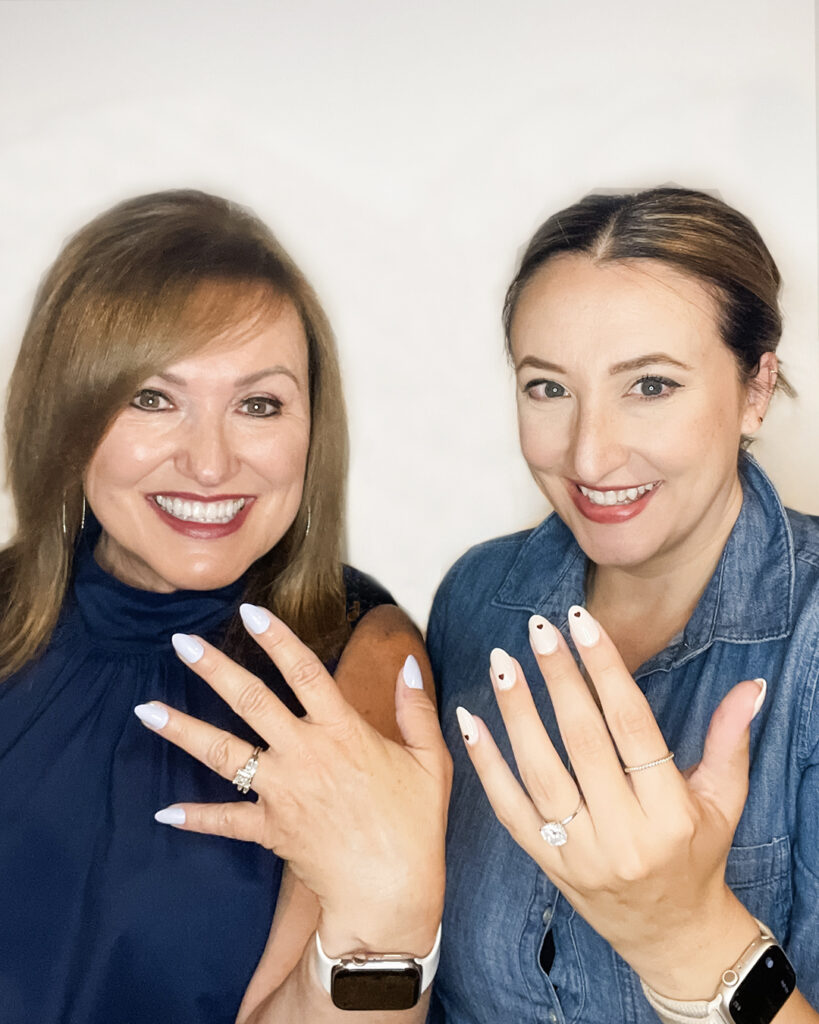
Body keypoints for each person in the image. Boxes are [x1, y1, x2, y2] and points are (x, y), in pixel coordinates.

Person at [0, 190, 449, 1024]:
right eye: (151, 398)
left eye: (259, 405)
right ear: (64, 413)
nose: (210, 464)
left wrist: (388, 913)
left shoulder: (364, 662)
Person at [426, 188, 819, 1023]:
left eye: (648, 384)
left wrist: (687, 934)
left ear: (755, 389)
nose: (588, 453)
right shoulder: (476, 600)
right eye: (546, 388)